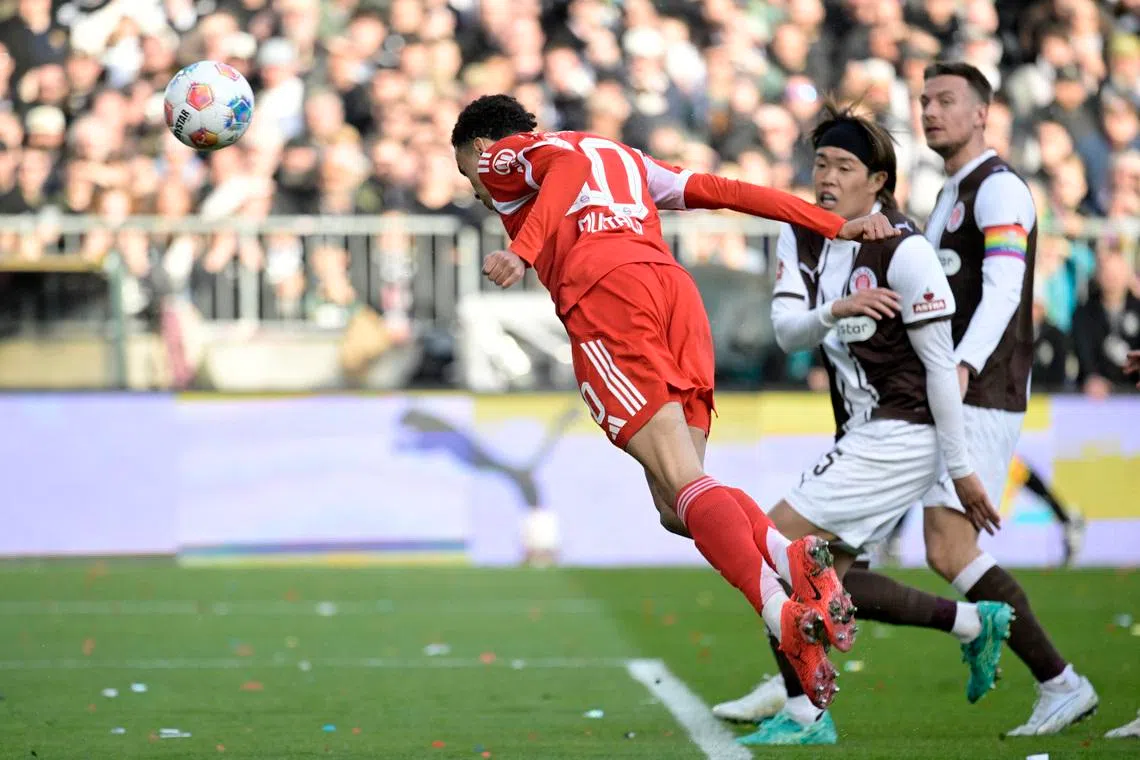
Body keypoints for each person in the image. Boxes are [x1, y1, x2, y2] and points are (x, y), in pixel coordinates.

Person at [450, 94, 898, 707]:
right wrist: (831, 223)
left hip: (609, 296)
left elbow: (566, 171)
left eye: (465, 174)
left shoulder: (511, 154)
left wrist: (521, 251)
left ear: (478, 148)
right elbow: (726, 190)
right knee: (675, 502)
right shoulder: (626, 157)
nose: (476, 189)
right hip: (674, 296)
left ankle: (780, 615)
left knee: (681, 481)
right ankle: (790, 557)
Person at [716, 101, 1009, 746]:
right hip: (861, 432)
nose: (825, 177)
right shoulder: (801, 234)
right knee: (832, 579)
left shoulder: (905, 251)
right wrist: (838, 308)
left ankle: (804, 713)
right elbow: (789, 332)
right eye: (820, 163)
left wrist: (959, 471)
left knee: (772, 544)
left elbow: (941, 368)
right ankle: (969, 624)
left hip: (903, 434)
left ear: (877, 180)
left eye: (843, 165)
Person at [917, 61, 1096, 735]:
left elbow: (1001, 292)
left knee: (950, 546)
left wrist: (961, 365)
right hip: (945, 388)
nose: (932, 110)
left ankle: (1058, 679)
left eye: (947, 100)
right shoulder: (948, 193)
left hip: (982, 389)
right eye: (925, 100)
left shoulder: (999, 191)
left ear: (981, 113)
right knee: (941, 545)